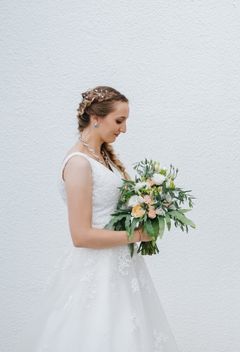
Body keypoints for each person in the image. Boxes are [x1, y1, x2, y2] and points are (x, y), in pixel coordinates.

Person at [31, 86, 180, 351]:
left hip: (123, 267)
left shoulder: (102, 158)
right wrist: (138, 234)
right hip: (97, 271)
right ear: (96, 117)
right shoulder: (78, 163)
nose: (123, 129)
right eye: (119, 121)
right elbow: (81, 235)